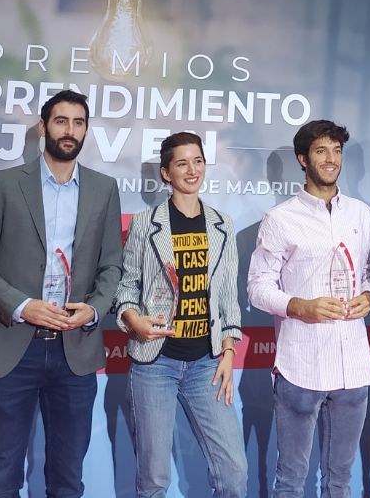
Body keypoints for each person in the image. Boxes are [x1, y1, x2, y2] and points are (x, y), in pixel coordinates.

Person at [0, 89, 125, 498]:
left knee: (68, 480)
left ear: (86, 129)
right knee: (1, 477)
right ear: (42, 127)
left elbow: (112, 266)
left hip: (76, 351)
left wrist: (93, 309)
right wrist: (23, 305)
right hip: (12, 346)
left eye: (78, 123)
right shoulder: (3, 185)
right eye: (60, 121)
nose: (69, 131)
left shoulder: (104, 189)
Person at [247, 119, 370, 498]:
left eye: (336, 151)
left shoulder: (360, 214)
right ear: (303, 159)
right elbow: (257, 288)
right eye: (321, 151)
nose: (331, 159)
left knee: (340, 479)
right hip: (300, 366)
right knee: (291, 477)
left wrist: (368, 297)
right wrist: (300, 306)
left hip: (353, 365)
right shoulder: (280, 219)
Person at [113, 131, 246, 498]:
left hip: (207, 362)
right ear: (166, 173)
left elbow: (227, 298)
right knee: (154, 480)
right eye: (182, 163)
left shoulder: (222, 224)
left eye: (198, 161)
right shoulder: (146, 223)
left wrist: (228, 352)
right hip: (156, 363)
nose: (192, 170)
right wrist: (132, 319)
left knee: (234, 473)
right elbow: (125, 288)